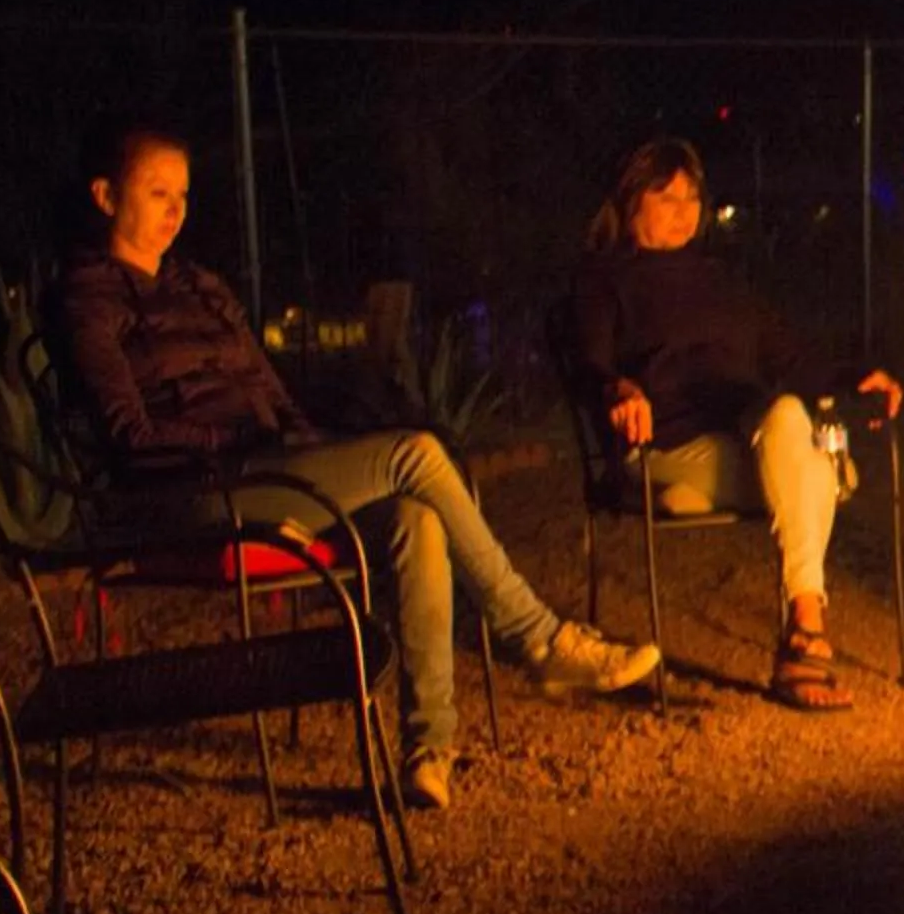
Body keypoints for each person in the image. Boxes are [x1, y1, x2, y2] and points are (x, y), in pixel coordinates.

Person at [49, 122, 662, 812]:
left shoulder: (202, 286)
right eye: (156, 192)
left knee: (413, 515)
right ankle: (538, 638)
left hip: (260, 469)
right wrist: (241, 446)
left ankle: (428, 751)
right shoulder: (87, 299)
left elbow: (267, 390)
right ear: (106, 196)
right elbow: (131, 435)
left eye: (183, 194)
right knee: (416, 453)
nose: (175, 209)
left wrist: (301, 446)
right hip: (184, 494)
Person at [569, 138, 902, 711]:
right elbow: (588, 361)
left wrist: (856, 375)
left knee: (789, 415)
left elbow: (790, 356)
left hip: (749, 437)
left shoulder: (721, 279)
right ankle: (806, 631)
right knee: (817, 473)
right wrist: (618, 388)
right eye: (666, 195)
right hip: (664, 443)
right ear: (630, 203)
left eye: (691, 196)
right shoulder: (605, 280)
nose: (683, 208)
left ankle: (804, 626)